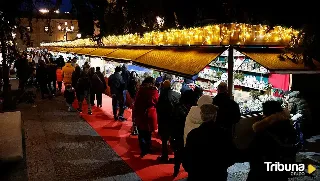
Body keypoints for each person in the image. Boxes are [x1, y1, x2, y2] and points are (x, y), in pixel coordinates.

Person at [247, 101, 296, 181]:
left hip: (265, 172)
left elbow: (253, 153)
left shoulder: (264, 129)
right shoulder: (288, 125)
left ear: (267, 113)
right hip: (282, 170)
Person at [183, 104, 235, 180]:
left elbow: (187, 157)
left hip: (196, 175)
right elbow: (231, 156)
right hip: (217, 174)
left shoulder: (193, 134)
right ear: (215, 116)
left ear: (201, 115)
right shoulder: (223, 133)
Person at [133, 77, 159, 158]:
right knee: (148, 132)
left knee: (141, 133)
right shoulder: (154, 91)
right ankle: (148, 147)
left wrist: (134, 115)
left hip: (141, 113)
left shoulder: (140, 90)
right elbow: (157, 102)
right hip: (150, 113)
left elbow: (136, 103)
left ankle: (143, 149)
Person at [156, 80, 181, 162]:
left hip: (164, 120)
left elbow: (158, 108)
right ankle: (175, 156)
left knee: (164, 139)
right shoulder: (177, 95)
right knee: (174, 138)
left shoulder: (162, 95)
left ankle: (164, 156)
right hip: (174, 120)